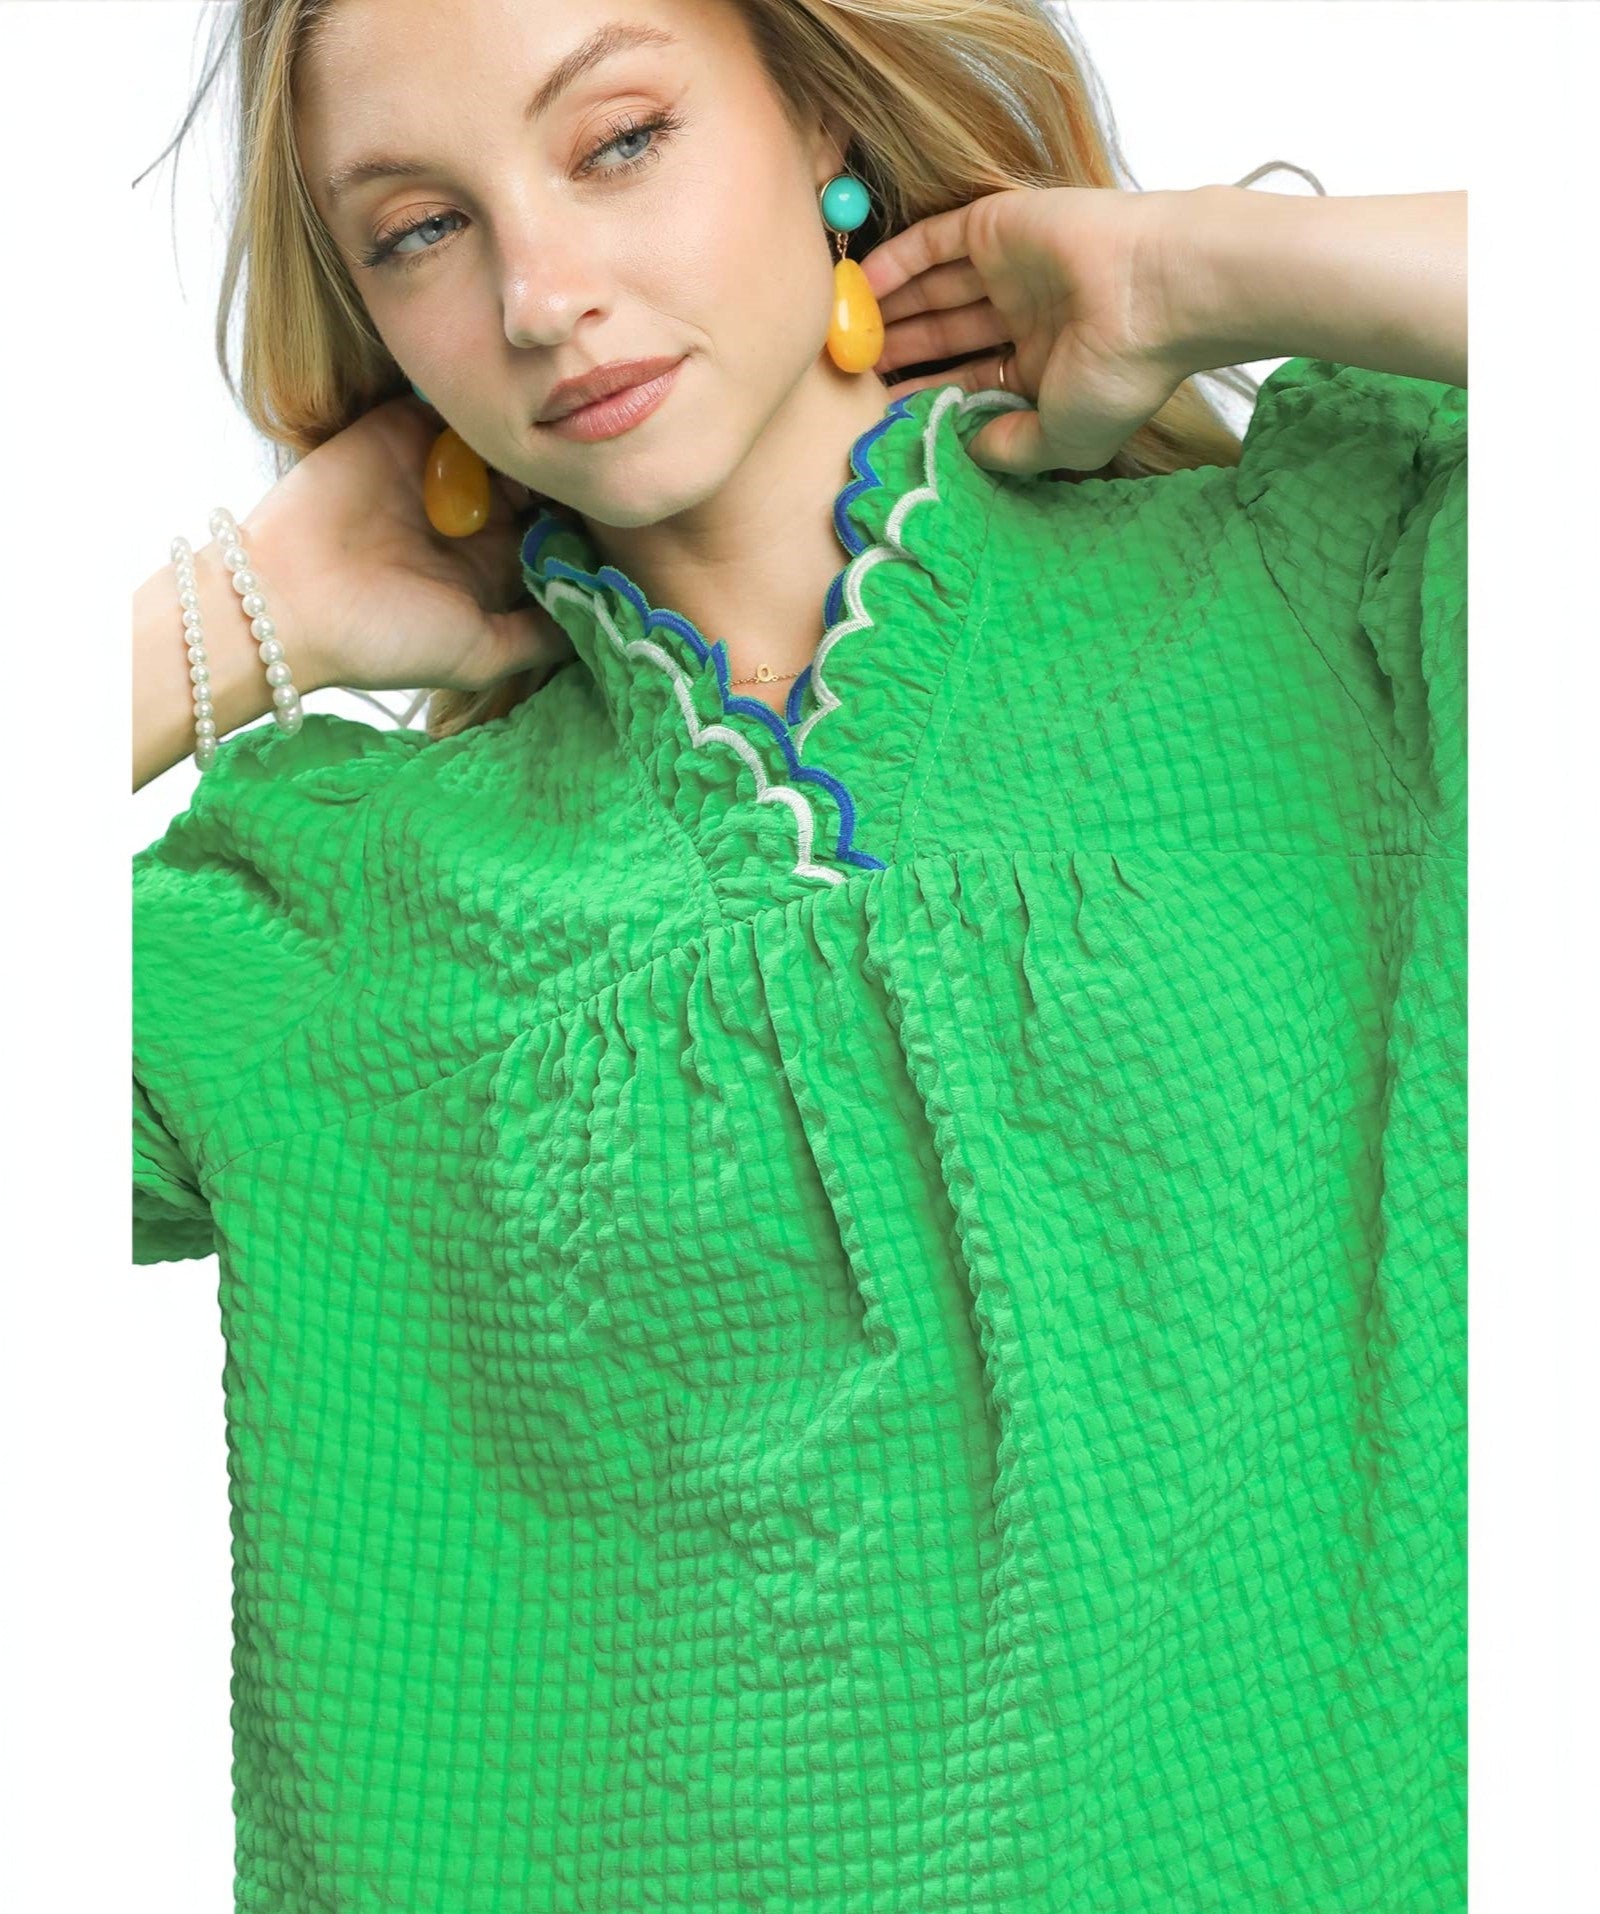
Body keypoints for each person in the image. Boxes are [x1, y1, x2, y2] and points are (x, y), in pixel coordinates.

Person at [131, 1, 1468, 1907]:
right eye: (420, 230)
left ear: (822, 115)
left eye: (617, 141)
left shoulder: (1335, 588)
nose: (539, 296)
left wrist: (1199, 266)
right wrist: (221, 617)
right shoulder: (343, 908)